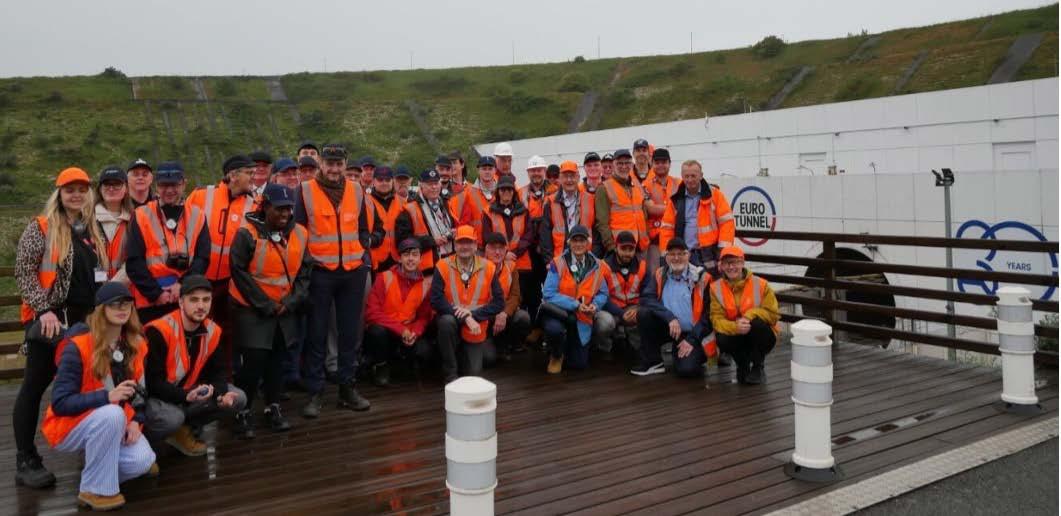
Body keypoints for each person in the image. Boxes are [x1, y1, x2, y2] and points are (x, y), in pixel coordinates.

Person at [14, 167, 110, 489]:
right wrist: (43, 310)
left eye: (82, 189)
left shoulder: (91, 228)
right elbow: (25, 272)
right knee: (34, 386)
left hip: (85, 322)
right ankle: (25, 459)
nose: (76, 195)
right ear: (59, 193)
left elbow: (100, 273)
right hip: (51, 321)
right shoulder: (41, 227)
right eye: (70, 189)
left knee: (85, 383)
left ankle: (94, 444)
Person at [40, 281, 155, 511]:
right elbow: (60, 403)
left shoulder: (137, 344)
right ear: (101, 309)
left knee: (143, 461)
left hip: (115, 422)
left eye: (127, 303)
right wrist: (107, 397)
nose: (122, 308)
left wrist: (136, 420)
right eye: (114, 304)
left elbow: (140, 392)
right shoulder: (77, 346)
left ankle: (97, 468)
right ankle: (94, 491)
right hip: (71, 424)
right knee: (112, 414)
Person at [293, 143, 373, 417]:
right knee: (316, 333)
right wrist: (308, 263)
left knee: (349, 334)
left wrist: (362, 251)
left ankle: (347, 389)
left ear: (345, 164)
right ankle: (315, 393)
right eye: (329, 164)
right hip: (320, 272)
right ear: (321, 164)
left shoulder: (357, 190)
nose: (334, 169)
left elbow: (363, 228)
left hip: (352, 271)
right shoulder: (304, 191)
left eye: (339, 164)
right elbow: (299, 231)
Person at [230, 184, 313, 434]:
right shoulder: (246, 233)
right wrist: (265, 304)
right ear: (265, 207)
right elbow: (238, 271)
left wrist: (290, 302)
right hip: (252, 307)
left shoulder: (300, 233)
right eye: (279, 209)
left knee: (278, 358)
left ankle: (272, 406)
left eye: (288, 209)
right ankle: (242, 410)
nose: (285, 214)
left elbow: (305, 271)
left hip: (284, 308)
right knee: (254, 361)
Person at [143, 275, 247, 450]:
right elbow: (152, 383)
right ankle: (143, 445)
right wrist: (185, 396)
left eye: (206, 300)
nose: (201, 306)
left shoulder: (213, 331)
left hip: (188, 393)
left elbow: (219, 372)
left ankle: (184, 429)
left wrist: (220, 396)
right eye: (194, 300)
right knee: (172, 419)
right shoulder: (160, 331)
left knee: (238, 398)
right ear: (181, 302)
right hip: (157, 397)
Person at [184, 155, 258, 376]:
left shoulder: (254, 204)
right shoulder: (200, 196)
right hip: (200, 278)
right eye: (249, 173)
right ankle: (193, 374)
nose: (253, 178)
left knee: (227, 330)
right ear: (233, 176)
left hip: (232, 281)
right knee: (195, 327)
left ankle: (225, 375)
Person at [125, 161, 210, 323]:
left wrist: (182, 285)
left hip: (186, 298)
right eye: (164, 185)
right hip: (151, 301)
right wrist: (156, 294)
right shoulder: (141, 215)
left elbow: (203, 258)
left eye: (174, 185)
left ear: (184, 183)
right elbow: (134, 261)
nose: (169, 190)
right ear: (156, 186)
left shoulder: (197, 215)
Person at [429, 226, 504, 382]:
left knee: (474, 373)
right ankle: (450, 373)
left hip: (475, 325)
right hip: (452, 320)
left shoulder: (489, 267)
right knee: (446, 322)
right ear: (455, 245)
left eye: (469, 242)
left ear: (476, 245)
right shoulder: (442, 265)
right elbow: (436, 299)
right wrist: (465, 317)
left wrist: (472, 315)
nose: (464, 246)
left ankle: (460, 355)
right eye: (460, 242)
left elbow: (499, 303)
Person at [631, 238, 714, 378]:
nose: (676, 258)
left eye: (681, 254)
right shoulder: (659, 274)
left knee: (687, 370)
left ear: (688, 255)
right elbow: (647, 298)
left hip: (693, 333)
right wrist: (670, 317)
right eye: (672, 254)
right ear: (666, 257)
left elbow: (708, 315)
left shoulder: (702, 278)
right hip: (670, 328)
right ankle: (654, 362)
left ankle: (692, 353)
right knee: (644, 314)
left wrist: (692, 339)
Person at [540, 225, 614, 373]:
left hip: (582, 317)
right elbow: (548, 293)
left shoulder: (598, 265)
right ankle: (556, 354)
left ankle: (579, 347)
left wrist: (595, 305)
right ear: (569, 242)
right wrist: (575, 304)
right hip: (560, 313)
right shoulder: (558, 263)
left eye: (582, 240)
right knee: (554, 330)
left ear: (588, 243)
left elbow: (603, 293)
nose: (578, 244)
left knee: (578, 364)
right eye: (575, 240)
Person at [364, 238, 434, 386]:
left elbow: (424, 317)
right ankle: (381, 366)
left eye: (414, 254)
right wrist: (400, 330)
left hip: (408, 332)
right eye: (406, 255)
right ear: (399, 258)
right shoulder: (384, 277)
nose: (410, 259)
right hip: (386, 331)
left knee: (425, 351)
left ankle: (401, 360)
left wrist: (415, 332)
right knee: (376, 332)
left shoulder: (425, 285)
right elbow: (372, 312)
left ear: (420, 258)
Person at [710, 246, 779, 384]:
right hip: (736, 333)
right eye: (727, 263)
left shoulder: (761, 284)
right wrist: (735, 327)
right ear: (721, 266)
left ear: (742, 263)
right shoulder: (715, 288)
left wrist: (749, 316)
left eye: (735, 262)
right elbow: (716, 319)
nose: (731, 267)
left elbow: (773, 314)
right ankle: (742, 365)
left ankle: (758, 366)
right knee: (721, 337)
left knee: (757, 324)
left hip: (761, 336)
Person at [659, 159, 735, 270]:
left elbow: (727, 223)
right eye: (686, 176)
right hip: (683, 254)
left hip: (709, 254)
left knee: (709, 280)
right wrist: (666, 254)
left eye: (693, 176)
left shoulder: (715, 195)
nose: (690, 180)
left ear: (701, 176)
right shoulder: (676, 199)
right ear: (682, 176)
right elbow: (667, 228)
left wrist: (723, 252)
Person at [394, 169, 457, 273]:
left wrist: (456, 232)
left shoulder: (447, 203)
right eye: (429, 184)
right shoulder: (409, 209)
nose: (434, 187)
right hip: (426, 269)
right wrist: (432, 241)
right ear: (421, 186)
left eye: (436, 183)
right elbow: (402, 241)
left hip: (451, 263)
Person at [482, 232, 531, 360]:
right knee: (488, 358)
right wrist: (494, 314)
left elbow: (515, 296)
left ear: (506, 250)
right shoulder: (478, 267)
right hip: (484, 318)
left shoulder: (511, 267)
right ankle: (493, 344)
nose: (497, 252)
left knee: (523, 317)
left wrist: (504, 314)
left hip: (503, 314)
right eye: (493, 248)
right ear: (486, 250)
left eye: (501, 248)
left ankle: (511, 344)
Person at [595, 148, 649, 256]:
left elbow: (644, 215)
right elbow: (602, 223)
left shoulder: (637, 185)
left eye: (627, 163)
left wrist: (646, 237)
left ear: (631, 164)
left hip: (640, 247)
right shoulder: (604, 188)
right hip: (620, 249)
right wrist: (612, 247)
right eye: (620, 163)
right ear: (613, 165)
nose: (624, 167)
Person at [602, 231, 646, 362]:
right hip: (611, 309)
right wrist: (621, 313)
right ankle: (604, 348)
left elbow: (648, 293)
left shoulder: (642, 266)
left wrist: (638, 308)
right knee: (604, 324)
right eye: (623, 249)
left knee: (645, 315)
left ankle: (637, 349)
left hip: (633, 308)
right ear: (616, 248)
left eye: (631, 249)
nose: (627, 253)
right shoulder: (603, 266)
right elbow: (601, 297)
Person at [540, 160, 597, 260]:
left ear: (578, 178)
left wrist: (595, 256)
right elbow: (545, 234)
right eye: (565, 176)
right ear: (560, 178)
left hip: (586, 256)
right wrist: (549, 260)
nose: (569, 180)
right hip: (560, 257)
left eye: (572, 176)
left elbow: (597, 231)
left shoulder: (590, 199)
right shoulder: (550, 201)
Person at [644, 148, 681, 271]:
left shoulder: (679, 184)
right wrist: (674, 208)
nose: (660, 165)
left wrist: (659, 208)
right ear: (652, 163)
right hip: (655, 240)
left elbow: (684, 207)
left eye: (664, 162)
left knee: (676, 272)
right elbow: (650, 209)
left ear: (669, 163)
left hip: (676, 237)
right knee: (655, 274)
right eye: (657, 162)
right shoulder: (645, 185)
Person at [95, 165, 133, 283]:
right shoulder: (86, 220)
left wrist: (113, 287)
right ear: (100, 189)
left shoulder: (135, 220)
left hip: (125, 289)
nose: (111, 188)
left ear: (126, 188)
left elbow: (136, 259)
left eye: (117, 184)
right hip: (91, 288)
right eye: (106, 184)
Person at [450, 156, 496, 242]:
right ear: (478, 170)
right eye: (484, 169)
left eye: (490, 169)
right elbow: (462, 221)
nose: (487, 172)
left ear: (495, 170)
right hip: (476, 244)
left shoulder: (502, 192)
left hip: (499, 244)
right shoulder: (467, 193)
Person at [367, 166, 402, 273]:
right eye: (380, 180)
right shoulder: (365, 202)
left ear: (393, 181)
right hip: (374, 259)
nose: (384, 183)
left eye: (387, 180)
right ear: (373, 182)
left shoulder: (402, 202)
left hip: (397, 258)